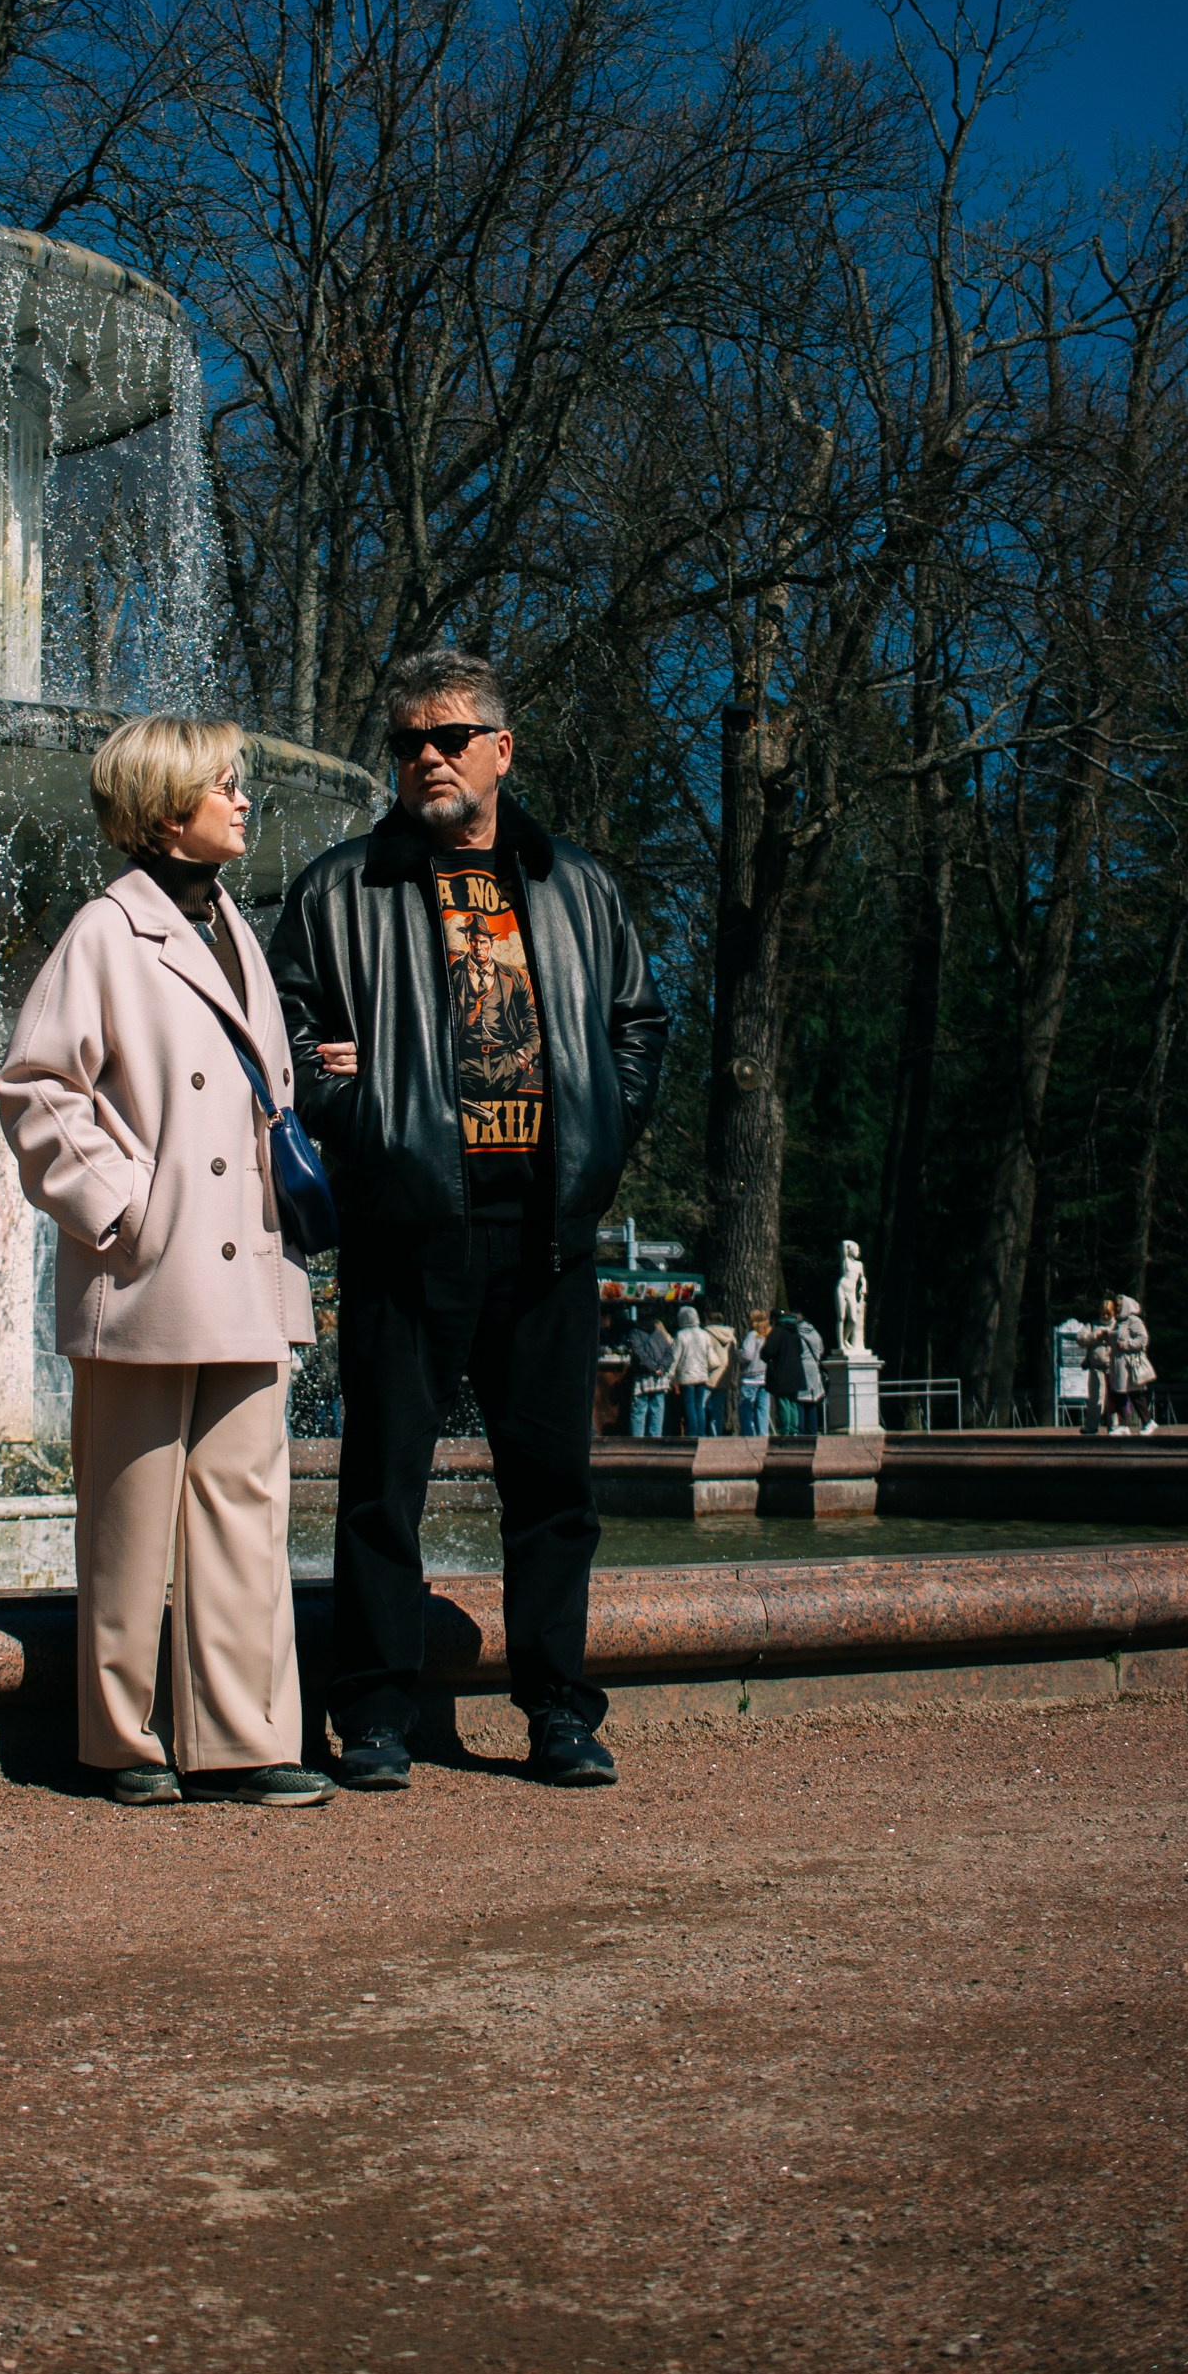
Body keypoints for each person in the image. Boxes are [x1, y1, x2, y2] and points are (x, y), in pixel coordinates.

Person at [268, 646, 667, 1792]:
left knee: (553, 1492)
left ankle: (557, 1713)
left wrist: (599, 1144)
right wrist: (353, 1112)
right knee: (380, 1486)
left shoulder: (574, 886)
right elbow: (283, 1024)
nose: (426, 758)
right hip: (408, 1225)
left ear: (501, 748)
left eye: (447, 738)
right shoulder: (344, 888)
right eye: (406, 743)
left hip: (544, 1228)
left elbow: (639, 1021)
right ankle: (375, 1714)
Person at [0, 715, 334, 1809]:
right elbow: (36, 1087)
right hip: (149, 1268)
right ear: (162, 810)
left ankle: (244, 1738)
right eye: (222, 786)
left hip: (242, 1264)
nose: (243, 801)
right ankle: (124, 1739)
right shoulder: (104, 931)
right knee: (133, 1510)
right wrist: (121, 1205)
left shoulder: (233, 925)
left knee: (245, 1504)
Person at [1085, 1293, 1155, 1437]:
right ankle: (1124, 1424)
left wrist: (1127, 1345)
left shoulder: (1133, 1320)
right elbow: (1116, 1337)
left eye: (1118, 1305)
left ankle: (1147, 1422)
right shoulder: (1120, 1322)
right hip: (1118, 1364)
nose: (1116, 1307)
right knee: (1119, 1393)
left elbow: (1143, 1339)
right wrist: (1107, 1337)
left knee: (1135, 1394)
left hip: (1129, 1364)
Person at [626, 1307, 673, 1439]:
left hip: (643, 1376)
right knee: (657, 1410)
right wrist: (661, 1369)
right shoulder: (659, 1333)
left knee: (639, 1410)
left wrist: (652, 1368)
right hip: (659, 1378)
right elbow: (669, 1353)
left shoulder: (635, 1333)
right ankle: (655, 1440)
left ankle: (638, 1442)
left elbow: (640, 1354)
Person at [670, 1301, 713, 1437]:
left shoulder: (681, 1335)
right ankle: (702, 1432)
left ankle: (692, 1433)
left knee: (689, 1406)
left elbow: (674, 1357)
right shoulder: (704, 1334)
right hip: (701, 1374)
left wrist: (670, 1375)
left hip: (687, 1375)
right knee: (699, 1406)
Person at [765, 1311, 805, 1436]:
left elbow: (768, 1351)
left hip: (781, 1371)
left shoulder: (777, 1332)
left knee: (783, 1402)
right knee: (793, 1402)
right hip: (796, 1373)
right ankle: (794, 1429)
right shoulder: (795, 1332)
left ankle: (785, 1430)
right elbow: (801, 1350)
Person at [737, 1308, 772, 1435]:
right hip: (765, 1376)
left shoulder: (752, 1335)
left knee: (746, 1408)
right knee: (763, 1409)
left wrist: (738, 1353)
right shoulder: (767, 1335)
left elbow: (747, 1354)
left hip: (750, 1377)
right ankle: (763, 1435)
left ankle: (748, 1434)